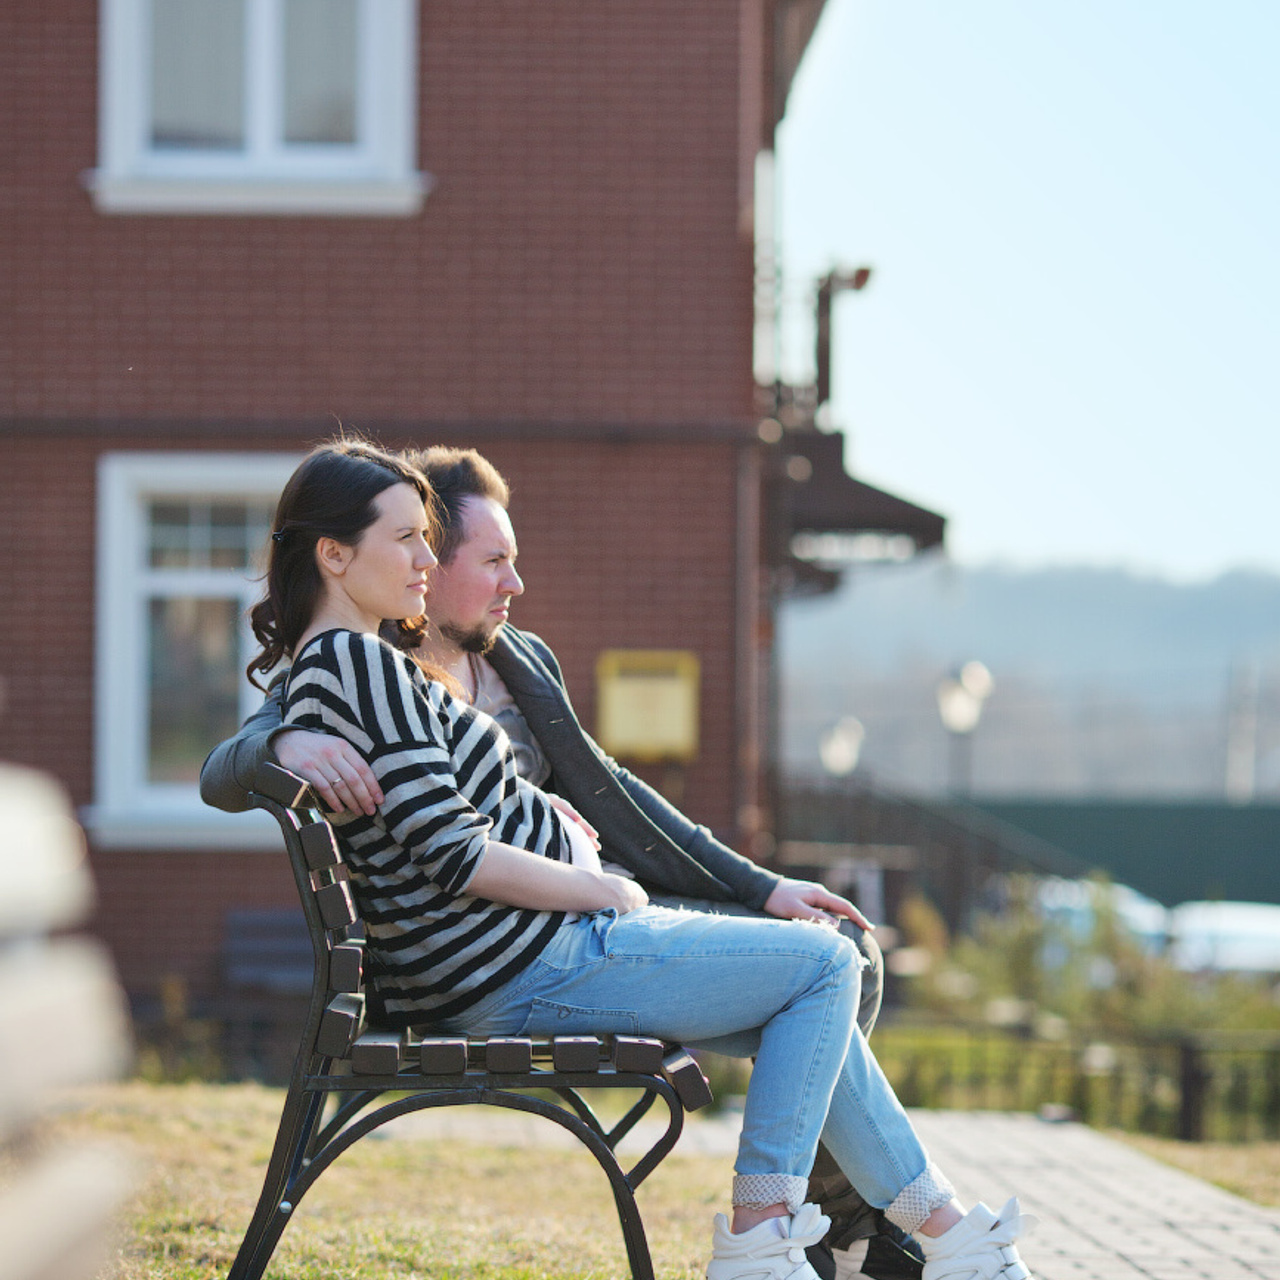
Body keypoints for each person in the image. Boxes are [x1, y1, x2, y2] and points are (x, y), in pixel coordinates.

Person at [222, 438, 1036, 1280]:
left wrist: (559, 822)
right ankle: (772, 1242)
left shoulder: (360, 666)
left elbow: (525, 802)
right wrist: (597, 887)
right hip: (532, 958)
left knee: (815, 983)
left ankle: (942, 1239)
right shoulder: (355, 664)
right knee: (827, 968)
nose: (424, 559)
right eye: (407, 540)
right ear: (333, 553)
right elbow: (455, 855)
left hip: (523, 955)